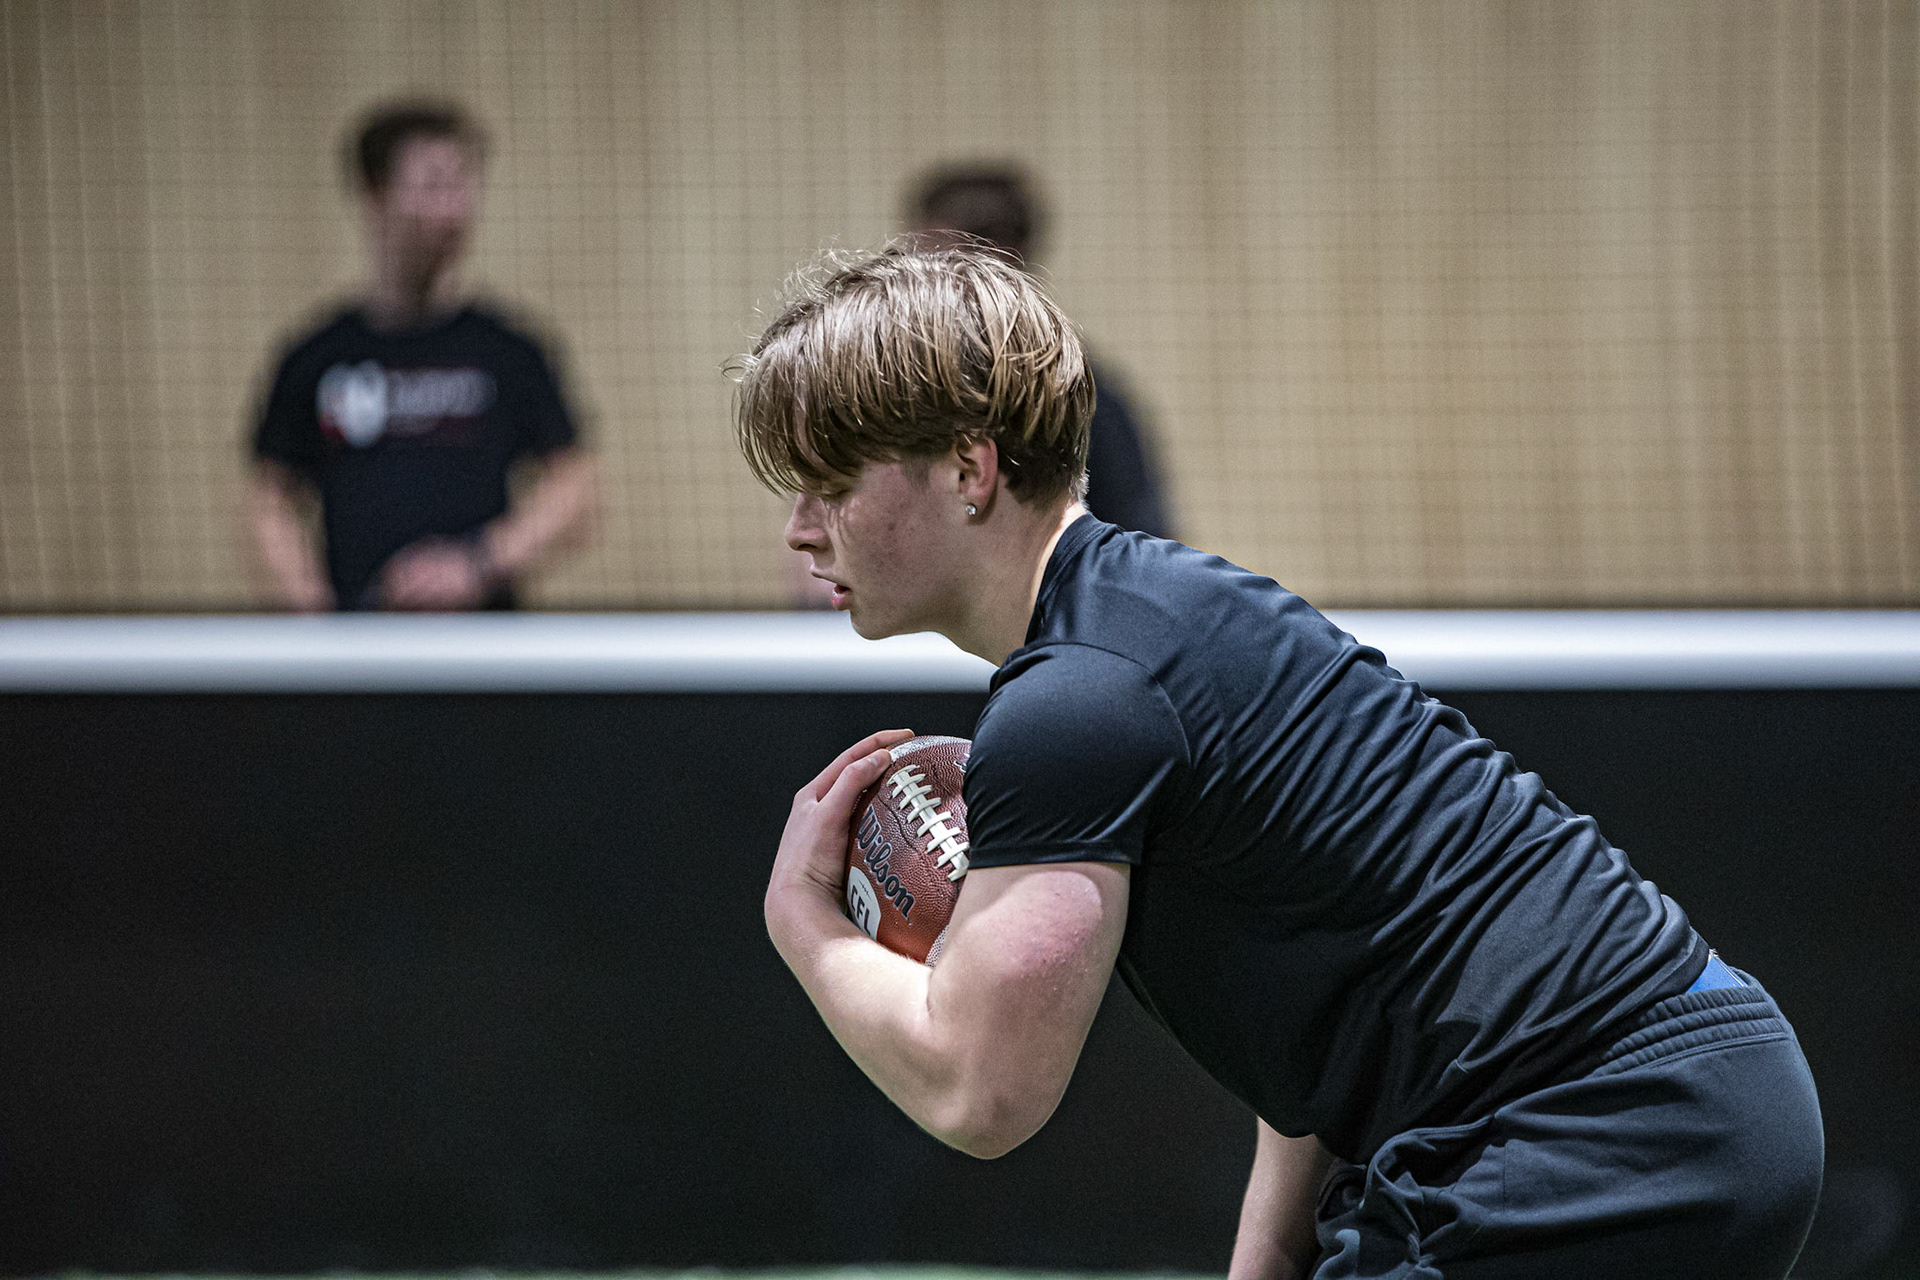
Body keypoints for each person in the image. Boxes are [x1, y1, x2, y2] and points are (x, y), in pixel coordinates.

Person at [732, 246, 1824, 1279]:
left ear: (970, 469)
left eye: (832, 482)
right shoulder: (1170, 609)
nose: (801, 529)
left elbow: (982, 1091)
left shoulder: (1074, 701)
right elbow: (1321, 970)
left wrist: (803, 918)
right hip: (1685, 1098)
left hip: (1601, 1119)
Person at [248, 100, 595, 612]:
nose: (455, 209)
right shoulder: (316, 357)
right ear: (374, 193)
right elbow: (269, 499)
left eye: (463, 184)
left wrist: (477, 563)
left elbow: (576, 488)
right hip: (357, 643)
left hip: (486, 642)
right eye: (433, 185)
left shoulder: (510, 350)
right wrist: (316, 619)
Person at [907, 163, 1173, 538]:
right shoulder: (902, 384)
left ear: (1002, 256)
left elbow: (1138, 537)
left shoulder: (1085, 396)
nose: (913, 282)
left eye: (931, 256)